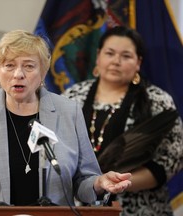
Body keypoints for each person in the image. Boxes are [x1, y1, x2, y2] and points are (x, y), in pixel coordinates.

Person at [0, 29, 131, 207]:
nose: (18, 74)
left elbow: (84, 179)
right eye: (9, 65)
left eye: (28, 66)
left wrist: (98, 183)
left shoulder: (69, 112)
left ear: (42, 73)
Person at [62, 26, 183, 215]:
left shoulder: (157, 101)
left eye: (126, 56)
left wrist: (116, 184)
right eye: (109, 53)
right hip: (79, 208)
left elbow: (171, 160)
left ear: (138, 63)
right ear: (98, 56)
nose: (116, 61)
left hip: (140, 209)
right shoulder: (72, 96)